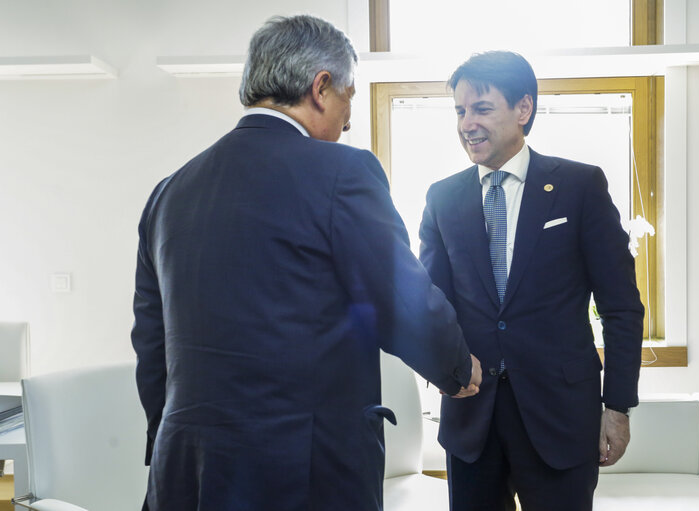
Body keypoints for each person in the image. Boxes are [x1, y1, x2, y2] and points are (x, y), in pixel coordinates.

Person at [131, 15, 481, 511]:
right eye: (349, 99)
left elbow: (151, 340)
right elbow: (398, 296)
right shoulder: (341, 170)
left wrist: (167, 439)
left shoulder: (169, 191)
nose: (349, 120)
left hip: (185, 470)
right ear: (321, 88)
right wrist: (457, 366)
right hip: (303, 472)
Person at [418, 51, 644, 511]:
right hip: (472, 420)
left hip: (561, 418)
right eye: (460, 111)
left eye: (482, 109)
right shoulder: (443, 199)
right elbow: (429, 304)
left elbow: (621, 307)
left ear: (523, 109)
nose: (467, 124)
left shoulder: (580, 187)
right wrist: (444, 370)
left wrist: (617, 407)